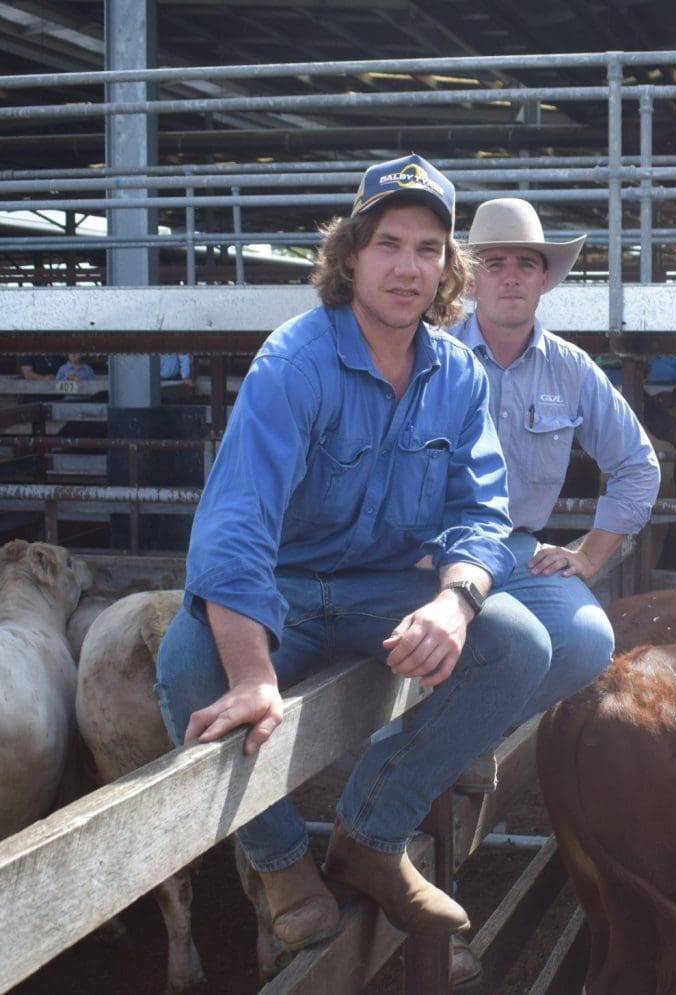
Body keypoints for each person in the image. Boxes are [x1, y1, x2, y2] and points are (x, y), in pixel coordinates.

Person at [153, 154, 553, 953]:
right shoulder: (294, 363)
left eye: (429, 248)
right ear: (349, 255)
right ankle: (278, 860)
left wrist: (454, 600)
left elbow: (483, 513)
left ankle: (371, 835)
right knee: (187, 665)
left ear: (447, 268)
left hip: (384, 589)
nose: (409, 267)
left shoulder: (460, 376)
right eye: (389, 244)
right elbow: (236, 526)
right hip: (286, 591)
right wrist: (254, 673)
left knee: (520, 645)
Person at [450, 197, 661, 716]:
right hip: (433, 550)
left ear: (545, 280)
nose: (511, 278)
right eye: (494, 264)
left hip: (516, 550)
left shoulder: (571, 369)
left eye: (526, 264)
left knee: (588, 642)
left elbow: (638, 465)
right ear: (470, 281)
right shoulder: (432, 351)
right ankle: (436, 743)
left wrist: (590, 552)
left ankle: (464, 734)